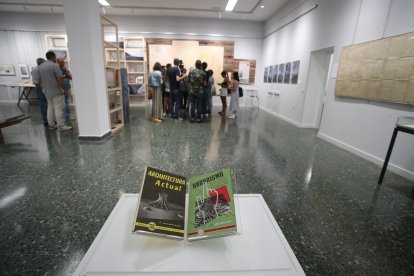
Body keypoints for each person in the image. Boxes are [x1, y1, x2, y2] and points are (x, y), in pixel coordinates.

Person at [38, 51, 72, 130]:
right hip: (55, 90)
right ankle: (61, 125)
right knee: (58, 108)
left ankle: (51, 124)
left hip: (46, 91)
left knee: (50, 107)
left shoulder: (41, 66)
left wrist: (43, 88)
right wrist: (63, 89)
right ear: (53, 56)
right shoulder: (54, 66)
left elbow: (40, 80)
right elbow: (59, 78)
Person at [31, 58, 48, 126]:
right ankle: (45, 120)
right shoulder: (35, 70)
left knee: (49, 105)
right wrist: (42, 88)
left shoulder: (45, 69)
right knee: (43, 105)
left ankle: (50, 119)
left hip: (47, 88)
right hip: (41, 89)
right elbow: (36, 82)